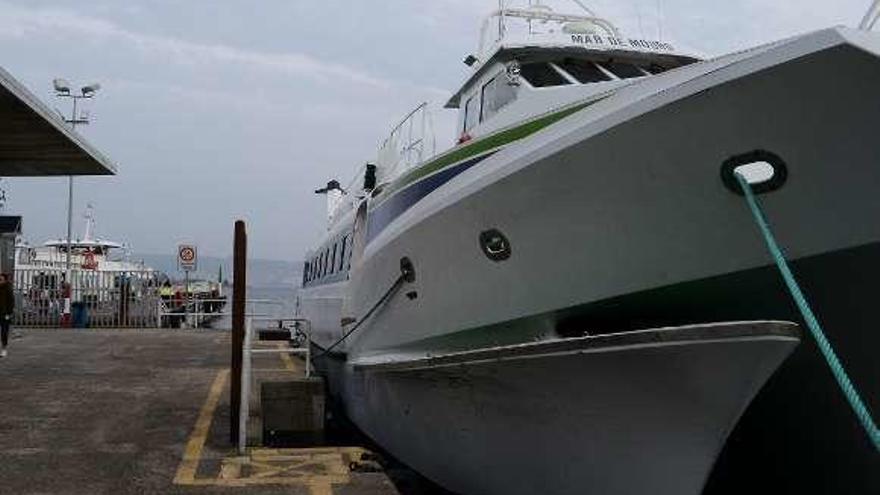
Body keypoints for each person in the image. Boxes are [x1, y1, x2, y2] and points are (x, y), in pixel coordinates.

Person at [0, 273, 14, 358]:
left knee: (4, 332)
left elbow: (11, 302)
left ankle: (4, 349)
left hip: (4, 314)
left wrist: (9, 313)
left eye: (0, 279)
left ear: (5, 280)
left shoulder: (8, 289)